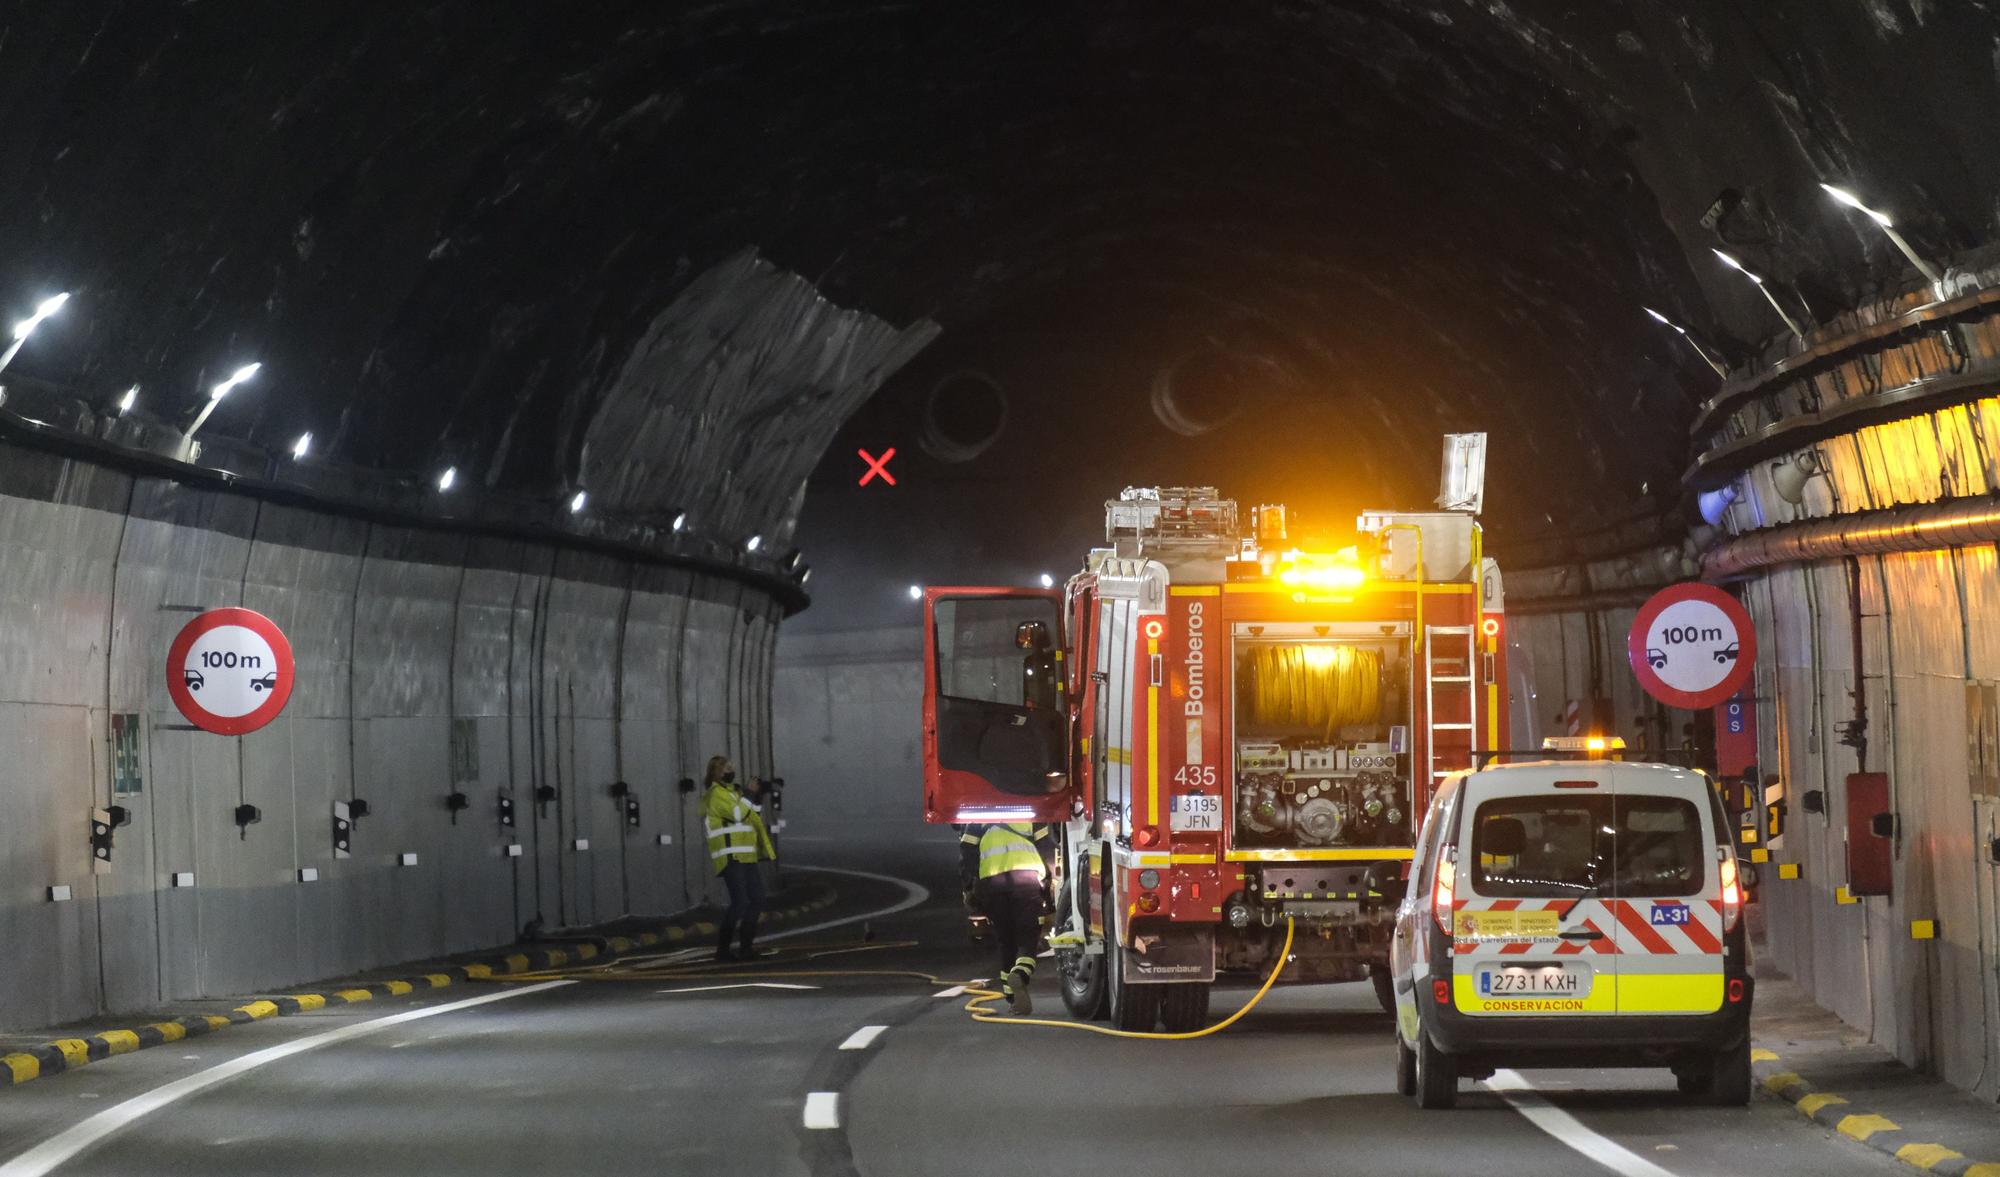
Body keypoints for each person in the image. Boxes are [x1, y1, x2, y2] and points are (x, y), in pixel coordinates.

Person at [959, 820, 1054, 1013]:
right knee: (1028, 937)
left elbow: (967, 849)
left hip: (992, 883)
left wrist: (973, 883)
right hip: (1027, 881)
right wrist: (1049, 885)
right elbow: (1046, 849)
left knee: (1006, 940)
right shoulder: (1031, 811)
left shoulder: (980, 814)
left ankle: (1012, 999)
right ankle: (1020, 974)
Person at [703, 755, 776, 961]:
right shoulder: (715, 794)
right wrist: (748, 794)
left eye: (732, 767)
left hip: (746, 855)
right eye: (727, 768)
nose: (731, 770)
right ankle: (723, 951)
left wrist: (757, 796)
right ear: (716, 772)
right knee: (740, 902)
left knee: (757, 900)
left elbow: (752, 815)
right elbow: (736, 815)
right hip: (731, 856)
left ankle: (746, 948)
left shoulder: (735, 793)